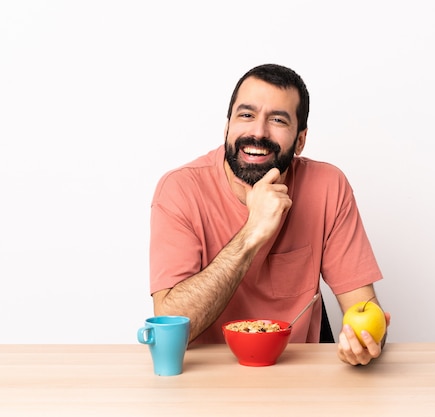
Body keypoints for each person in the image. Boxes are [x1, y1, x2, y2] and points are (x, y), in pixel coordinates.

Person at [149, 63, 391, 365]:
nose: (258, 132)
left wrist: (366, 342)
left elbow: (364, 309)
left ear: (300, 140)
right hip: (206, 380)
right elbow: (171, 324)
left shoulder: (328, 186)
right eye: (246, 115)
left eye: (278, 120)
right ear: (226, 127)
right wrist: (253, 232)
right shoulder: (180, 189)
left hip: (300, 379)